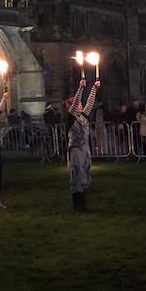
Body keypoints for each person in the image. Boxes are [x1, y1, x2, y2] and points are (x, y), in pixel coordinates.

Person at [65, 78, 100, 212]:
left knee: (85, 173)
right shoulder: (70, 118)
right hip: (75, 150)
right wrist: (80, 88)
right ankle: (77, 204)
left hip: (85, 149)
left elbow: (90, 103)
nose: (80, 105)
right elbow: (73, 107)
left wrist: (94, 88)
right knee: (77, 175)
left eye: (80, 103)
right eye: (77, 103)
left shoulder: (83, 116)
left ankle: (83, 203)